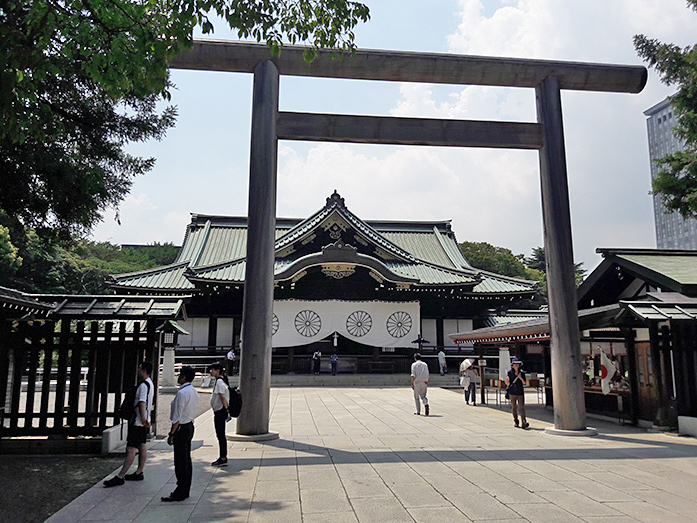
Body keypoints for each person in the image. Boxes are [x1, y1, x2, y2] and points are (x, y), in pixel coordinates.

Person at [104, 361, 154, 487]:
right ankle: (139, 471)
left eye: (140, 368)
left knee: (131, 447)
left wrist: (142, 418)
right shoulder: (150, 384)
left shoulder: (143, 385)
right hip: (144, 420)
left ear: (143, 370)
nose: (138, 370)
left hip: (138, 420)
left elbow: (142, 402)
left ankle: (121, 476)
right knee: (142, 445)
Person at [162, 366, 199, 502]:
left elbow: (176, 417)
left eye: (180, 375)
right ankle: (185, 488)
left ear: (183, 377)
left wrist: (171, 434)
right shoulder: (193, 391)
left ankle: (180, 490)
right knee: (186, 459)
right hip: (189, 425)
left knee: (180, 460)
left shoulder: (182, 393)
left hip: (181, 428)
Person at [208, 363, 231, 466]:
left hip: (220, 411)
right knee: (220, 434)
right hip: (220, 410)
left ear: (218, 371)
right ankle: (223, 456)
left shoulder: (220, 382)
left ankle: (223, 457)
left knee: (220, 434)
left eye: (212, 370)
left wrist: (226, 410)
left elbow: (222, 397)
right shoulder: (221, 381)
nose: (210, 371)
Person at [506, 358, 529, 429]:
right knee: (514, 408)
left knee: (522, 408)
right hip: (512, 392)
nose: (516, 365)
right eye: (515, 364)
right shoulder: (510, 372)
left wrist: (521, 378)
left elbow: (525, 383)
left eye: (517, 364)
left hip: (520, 392)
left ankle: (524, 421)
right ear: (512, 365)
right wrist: (507, 381)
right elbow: (507, 383)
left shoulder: (522, 373)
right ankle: (516, 420)